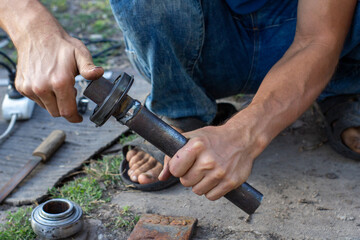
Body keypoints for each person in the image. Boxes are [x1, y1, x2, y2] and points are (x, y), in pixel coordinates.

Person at [1, 0, 359, 201]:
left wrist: (246, 134)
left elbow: (318, 39)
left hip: (317, 29)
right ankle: (181, 110)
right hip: (203, 36)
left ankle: (342, 84)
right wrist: (30, 24)